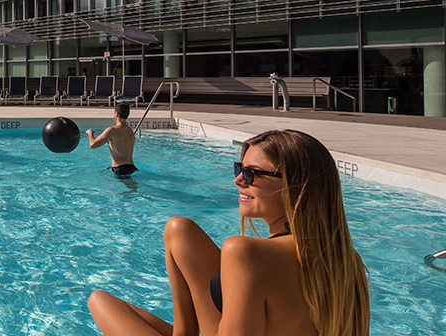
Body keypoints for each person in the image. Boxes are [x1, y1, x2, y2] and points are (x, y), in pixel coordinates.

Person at [88, 129, 369, 336]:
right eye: (240, 169)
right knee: (179, 230)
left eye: (251, 173)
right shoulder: (348, 262)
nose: (238, 180)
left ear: (295, 185)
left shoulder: (246, 253)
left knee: (99, 301)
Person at [86, 101, 137, 178]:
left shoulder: (112, 130)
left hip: (120, 169)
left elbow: (93, 145)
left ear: (116, 114)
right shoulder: (130, 131)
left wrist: (90, 133)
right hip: (131, 167)